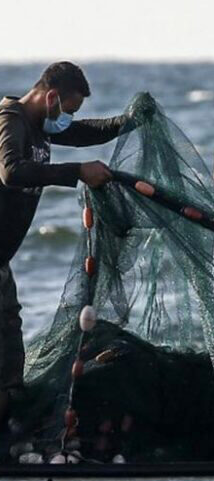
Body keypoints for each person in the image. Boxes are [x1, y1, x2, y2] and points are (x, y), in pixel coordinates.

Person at [0, 62, 126, 425]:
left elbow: (84, 132)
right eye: (67, 110)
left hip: (2, 262)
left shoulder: (42, 126)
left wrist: (125, 122)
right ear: (51, 96)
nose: (67, 119)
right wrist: (76, 172)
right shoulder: (11, 119)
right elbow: (11, 170)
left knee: (10, 350)